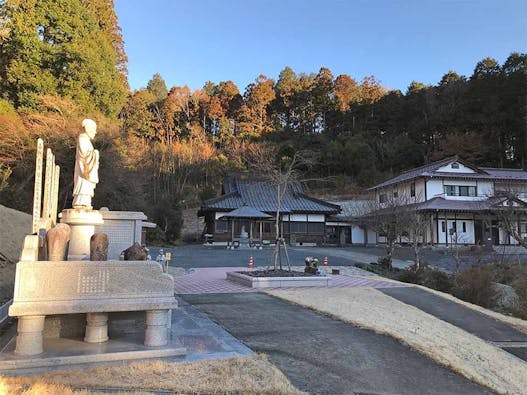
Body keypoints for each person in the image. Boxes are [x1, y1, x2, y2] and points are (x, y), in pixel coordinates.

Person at [72, 119, 99, 208]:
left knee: (86, 187)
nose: (95, 132)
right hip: (83, 170)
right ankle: (81, 202)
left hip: (85, 169)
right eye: (94, 129)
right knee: (83, 186)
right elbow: (84, 154)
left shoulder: (86, 140)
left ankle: (85, 202)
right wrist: (95, 153)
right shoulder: (82, 139)